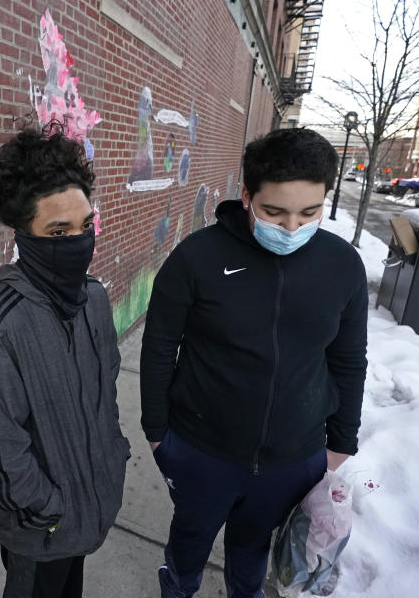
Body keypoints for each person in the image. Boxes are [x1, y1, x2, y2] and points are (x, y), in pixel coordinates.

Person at [140, 128, 368, 598]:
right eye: (274, 211)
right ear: (246, 196)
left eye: (309, 213)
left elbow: (348, 358)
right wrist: (158, 431)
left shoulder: (342, 265)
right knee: (189, 542)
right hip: (201, 449)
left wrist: (341, 441)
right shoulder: (197, 257)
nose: (291, 228)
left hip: (294, 456)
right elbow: (160, 345)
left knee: (252, 551)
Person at [0, 121, 130, 598]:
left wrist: (111, 455)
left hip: (88, 504)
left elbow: (106, 389)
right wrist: (47, 511)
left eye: (84, 225)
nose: (78, 241)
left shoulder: (93, 300)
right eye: (59, 230)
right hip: (43, 531)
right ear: (26, 233)